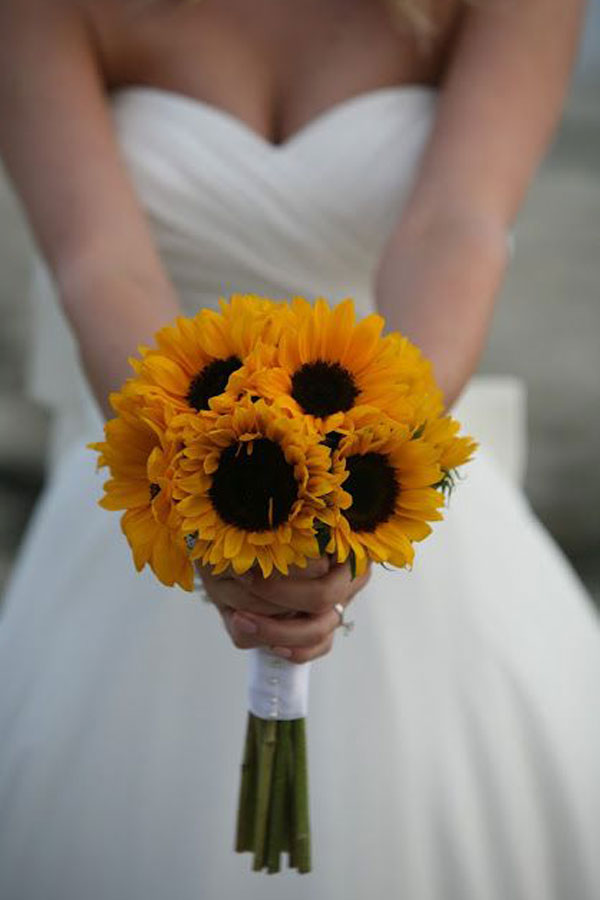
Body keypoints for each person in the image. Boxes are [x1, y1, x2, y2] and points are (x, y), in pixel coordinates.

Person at [0, 1, 599, 898]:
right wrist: (196, 490)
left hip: (398, 451)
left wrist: (365, 487)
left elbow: (458, 228)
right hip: (153, 480)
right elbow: (100, 261)